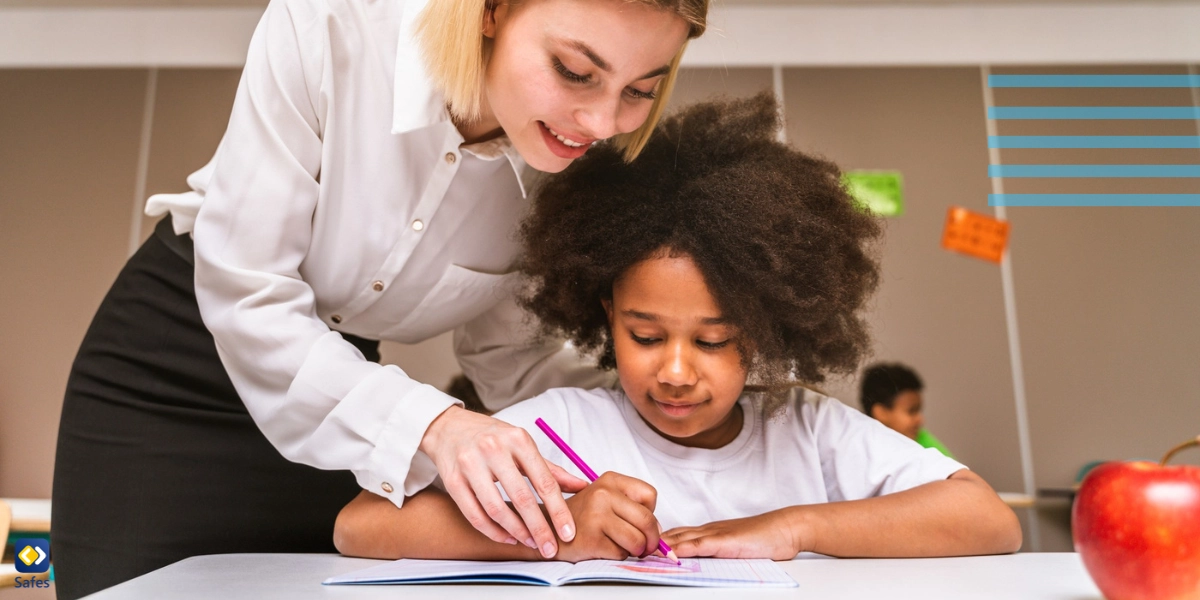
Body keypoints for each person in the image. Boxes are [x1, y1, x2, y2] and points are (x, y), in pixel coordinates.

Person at [50, 0, 707, 596]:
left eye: (639, 89)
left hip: (341, 423)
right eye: (573, 71)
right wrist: (439, 426)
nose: (600, 120)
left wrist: (685, 409)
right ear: (492, 11)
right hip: (172, 372)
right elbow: (247, 291)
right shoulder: (329, 26)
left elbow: (512, 359)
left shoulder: (565, 163)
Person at [332, 94, 1022, 562]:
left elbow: (991, 520)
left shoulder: (808, 432)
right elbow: (361, 525)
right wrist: (560, 535)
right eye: (646, 335)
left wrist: (792, 527)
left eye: (715, 340)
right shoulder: (561, 428)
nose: (676, 371)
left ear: (762, 330)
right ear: (606, 314)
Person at [860, 362, 954, 458]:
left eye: (919, 411)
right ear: (881, 413)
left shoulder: (923, 441)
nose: (920, 419)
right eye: (911, 411)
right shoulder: (861, 449)